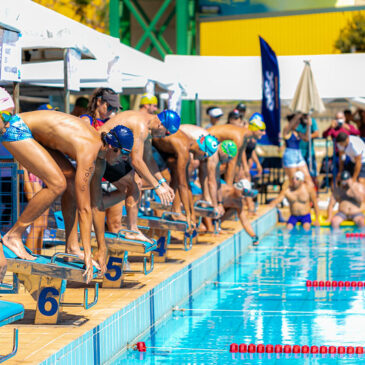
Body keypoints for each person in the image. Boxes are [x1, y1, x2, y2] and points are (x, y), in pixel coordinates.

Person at [0, 88, 133, 282]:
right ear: (113, 148)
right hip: (17, 128)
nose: (122, 160)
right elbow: (84, 208)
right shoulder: (89, 151)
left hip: (33, 133)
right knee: (57, 184)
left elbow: (95, 203)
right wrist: (89, 253)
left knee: (69, 180)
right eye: (123, 155)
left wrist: (101, 247)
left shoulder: (100, 156)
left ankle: (72, 246)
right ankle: (14, 235)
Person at [93, 110, 180, 244]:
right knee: (135, 183)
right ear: (161, 125)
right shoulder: (141, 126)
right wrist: (157, 187)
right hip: (104, 151)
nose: (164, 136)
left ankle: (93, 206)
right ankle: (132, 230)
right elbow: (137, 161)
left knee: (138, 186)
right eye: (167, 132)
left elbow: (149, 159)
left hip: (111, 151)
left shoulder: (148, 125)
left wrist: (162, 183)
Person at [152, 130, 212, 233]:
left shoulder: (188, 148)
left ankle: (176, 211)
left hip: (164, 149)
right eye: (205, 155)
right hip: (152, 145)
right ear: (201, 149)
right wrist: (188, 215)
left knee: (176, 172)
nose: (203, 159)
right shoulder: (184, 149)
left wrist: (192, 214)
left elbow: (186, 184)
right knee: (167, 177)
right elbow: (182, 185)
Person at [208, 113, 266, 186]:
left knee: (233, 167)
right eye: (262, 130)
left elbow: (238, 161)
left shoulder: (244, 138)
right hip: (205, 140)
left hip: (211, 142)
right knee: (227, 165)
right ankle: (223, 185)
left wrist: (238, 175)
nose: (264, 133)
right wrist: (229, 186)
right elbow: (231, 163)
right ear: (254, 129)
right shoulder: (239, 138)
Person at [282, 114, 312, 186]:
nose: (298, 123)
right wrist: (299, 114)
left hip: (298, 155)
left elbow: (306, 139)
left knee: (308, 180)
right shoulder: (287, 130)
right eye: (297, 122)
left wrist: (308, 126)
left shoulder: (297, 132)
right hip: (290, 155)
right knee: (293, 181)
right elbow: (289, 126)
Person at [295, 113, 319, 185]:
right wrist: (308, 128)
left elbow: (316, 133)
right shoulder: (298, 123)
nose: (305, 116)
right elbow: (305, 138)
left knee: (312, 172)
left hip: (310, 153)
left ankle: (314, 188)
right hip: (299, 153)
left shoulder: (312, 121)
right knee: (300, 173)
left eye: (307, 115)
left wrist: (309, 134)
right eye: (304, 115)